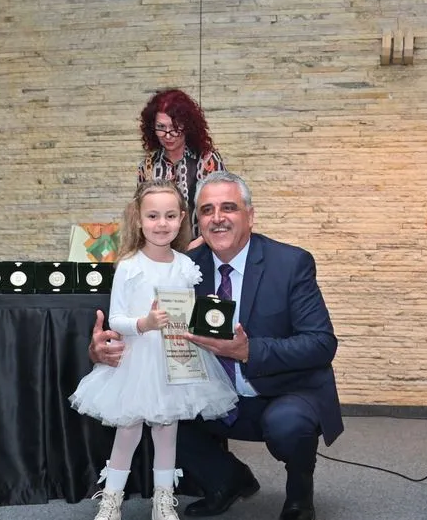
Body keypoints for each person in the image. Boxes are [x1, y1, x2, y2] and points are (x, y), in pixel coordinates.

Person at [89, 172, 343, 520]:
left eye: (229, 208)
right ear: (196, 220)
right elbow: (137, 319)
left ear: (250, 215)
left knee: (289, 425)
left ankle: (299, 495)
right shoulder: (185, 266)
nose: (217, 218)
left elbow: (321, 343)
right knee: (159, 412)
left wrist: (248, 351)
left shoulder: (290, 263)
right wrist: (101, 350)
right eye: (207, 210)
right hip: (213, 388)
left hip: (280, 390)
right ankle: (228, 480)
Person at [70, 180, 238, 520]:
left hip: (175, 358)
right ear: (139, 219)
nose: (162, 224)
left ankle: (164, 500)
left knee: (167, 431)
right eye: (153, 216)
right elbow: (116, 318)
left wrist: (202, 316)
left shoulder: (184, 265)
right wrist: (144, 323)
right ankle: (111, 499)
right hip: (137, 359)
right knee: (128, 430)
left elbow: (187, 310)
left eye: (170, 216)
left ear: (182, 219)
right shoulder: (129, 265)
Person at [138, 89, 226, 250]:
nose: (168, 135)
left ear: (188, 126)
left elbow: (220, 211)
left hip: (203, 249)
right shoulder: (148, 166)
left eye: (175, 127)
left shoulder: (207, 160)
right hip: (161, 252)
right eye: (161, 127)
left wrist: (193, 248)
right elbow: (142, 213)